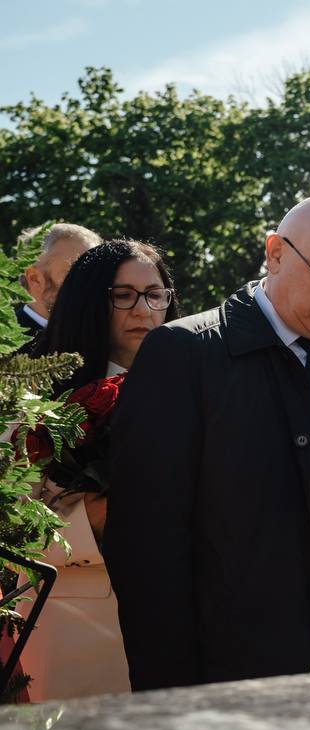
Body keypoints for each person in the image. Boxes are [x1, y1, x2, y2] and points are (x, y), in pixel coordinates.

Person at [105, 195, 310, 691]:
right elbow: (147, 551)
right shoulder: (184, 357)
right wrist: (172, 702)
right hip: (239, 682)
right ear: (275, 252)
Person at [17, 240, 178, 701]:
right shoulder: (31, 400)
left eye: (155, 294)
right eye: (123, 295)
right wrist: (93, 518)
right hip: (76, 629)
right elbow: (11, 528)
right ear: (90, 300)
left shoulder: (194, 388)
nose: (144, 310)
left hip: (176, 622)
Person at [15, 223, 101, 349]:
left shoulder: (107, 339)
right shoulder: (6, 348)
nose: (94, 283)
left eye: (97, 273)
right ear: (35, 279)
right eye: (79, 271)